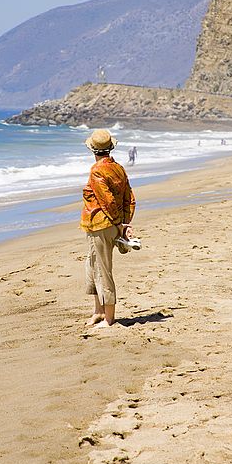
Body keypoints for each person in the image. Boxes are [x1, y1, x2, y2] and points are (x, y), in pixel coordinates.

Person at [81, 129, 136, 327]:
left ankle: (109, 318)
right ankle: (98, 312)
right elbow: (129, 198)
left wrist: (119, 223)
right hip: (108, 224)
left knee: (103, 270)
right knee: (93, 266)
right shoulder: (118, 168)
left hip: (101, 225)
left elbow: (108, 201)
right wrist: (125, 222)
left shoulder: (97, 170)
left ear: (93, 150)